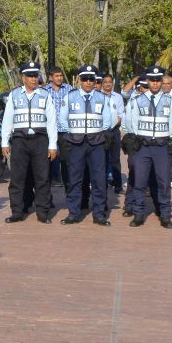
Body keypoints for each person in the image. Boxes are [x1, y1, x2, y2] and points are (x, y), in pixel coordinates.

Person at [0, 61, 58, 223]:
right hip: (19, 140)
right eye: (30, 76)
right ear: (22, 77)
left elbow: (52, 121)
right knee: (17, 178)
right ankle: (17, 211)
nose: (33, 79)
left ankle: (43, 212)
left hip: (40, 140)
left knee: (42, 178)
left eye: (35, 75)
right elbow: (8, 119)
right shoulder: (14, 95)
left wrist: (53, 145)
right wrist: (5, 141)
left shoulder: (45, 95)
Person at [58, 65, 116, 226]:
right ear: (80, 80)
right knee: (75, 179)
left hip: (96, 143)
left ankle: (99, 214)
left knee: (99, 179)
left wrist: (100, 134)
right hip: (76, 143)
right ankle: (73, 213)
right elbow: (62, 119)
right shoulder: (70, 97)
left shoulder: (102, 98)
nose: (89, 82)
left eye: (92, 79)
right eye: (85, 79)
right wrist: (73, 133)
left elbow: (108, 120)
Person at [122, 65, 172, 228]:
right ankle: (138, 214)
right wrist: (137, 138)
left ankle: (165, 215)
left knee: (163, 182)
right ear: (148, 81)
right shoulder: (137, 100)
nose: (155, 83)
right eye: (152, 80)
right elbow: (130, 122)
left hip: (161, 146)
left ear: (161, 81)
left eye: (158, 80)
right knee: (140, 181)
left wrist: (168, 137)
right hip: (142, 146)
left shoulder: (169, 100)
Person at [44, 66, 72, 188]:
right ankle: (47, 197)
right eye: (56, 76)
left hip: (65, 132)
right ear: (51, 77)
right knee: (48, 163)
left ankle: (70, 193)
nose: (59, 78)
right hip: (49, 132)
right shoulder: (44, 91)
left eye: (61, 75)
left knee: (66, 162)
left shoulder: (69, 89)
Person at [101, 73, 125, 194]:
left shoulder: (118, 97)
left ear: (112, 83)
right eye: (105, 82)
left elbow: (121, 114)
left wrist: (114, 125)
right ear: (102, 83)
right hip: (102, 132)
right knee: (102, 160)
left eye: (110, 82)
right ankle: (102, 185)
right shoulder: (98, 96)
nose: (108, 84)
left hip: (114, 130)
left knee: (116, 159)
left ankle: (118, 186)